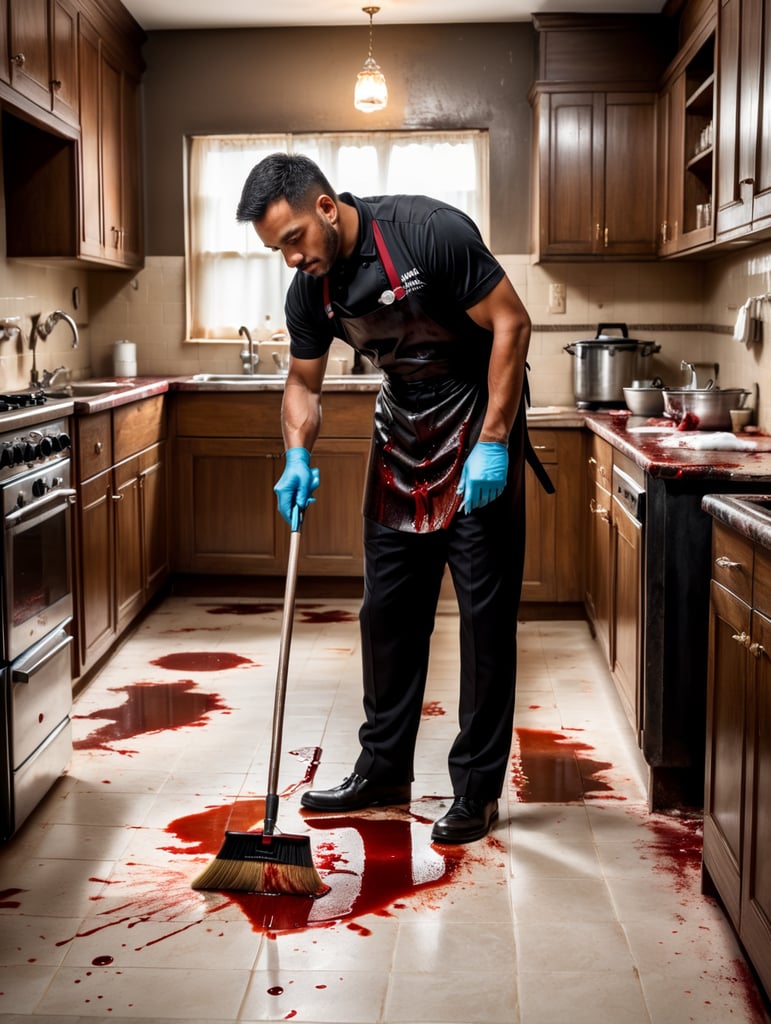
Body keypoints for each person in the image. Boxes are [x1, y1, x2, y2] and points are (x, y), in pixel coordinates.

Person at [236, 153, 552, 844]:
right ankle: (382, 771)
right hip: (402, 429)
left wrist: (494, 438)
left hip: (476, 420)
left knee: (483, 620)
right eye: (274, 249)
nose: (289, 257)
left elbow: (511, 324)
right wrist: (296, 453)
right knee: (386, 616)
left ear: (324, 207)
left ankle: (475, 790)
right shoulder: (311, 292)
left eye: (293, 238)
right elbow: (302, 384)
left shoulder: (425, 230)